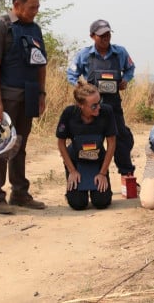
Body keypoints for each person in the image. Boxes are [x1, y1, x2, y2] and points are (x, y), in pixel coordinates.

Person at [0, 0, 47, 214]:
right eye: (32, 7)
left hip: (28, 96)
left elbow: (41, 64)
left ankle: (19, 193)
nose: (35, 11)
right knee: (0, 146)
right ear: (17, 5)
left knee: (19, 145)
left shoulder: (35, 30)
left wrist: (41, 93)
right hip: (5, 97)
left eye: (38, 7)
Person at [67, 20, 136, 177]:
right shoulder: (84, 54)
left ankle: (127, 174)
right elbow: (71, 74)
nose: (106, 37)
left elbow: (131, 68)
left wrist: (125, 79)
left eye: (108, 34)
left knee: (121, 139)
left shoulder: (121, 52)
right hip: (90, 107)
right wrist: (80, 86)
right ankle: (89, 175)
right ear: (92, 36)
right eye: (101, 35)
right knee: (89, 140)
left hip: (113, 105)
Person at [56, 81, 115, 210]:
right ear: (81, 105)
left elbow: (111, 143)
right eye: (93, 106)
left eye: (99, 102)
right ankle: (73, 193)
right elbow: (61, 143)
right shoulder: (69, 113)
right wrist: (72, 171)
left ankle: (104, 191)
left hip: (98, 161)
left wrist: (103, 173)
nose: (98, 107)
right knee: (78, 204)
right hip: (76, 161)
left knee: (101, 202)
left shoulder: (107, 112)